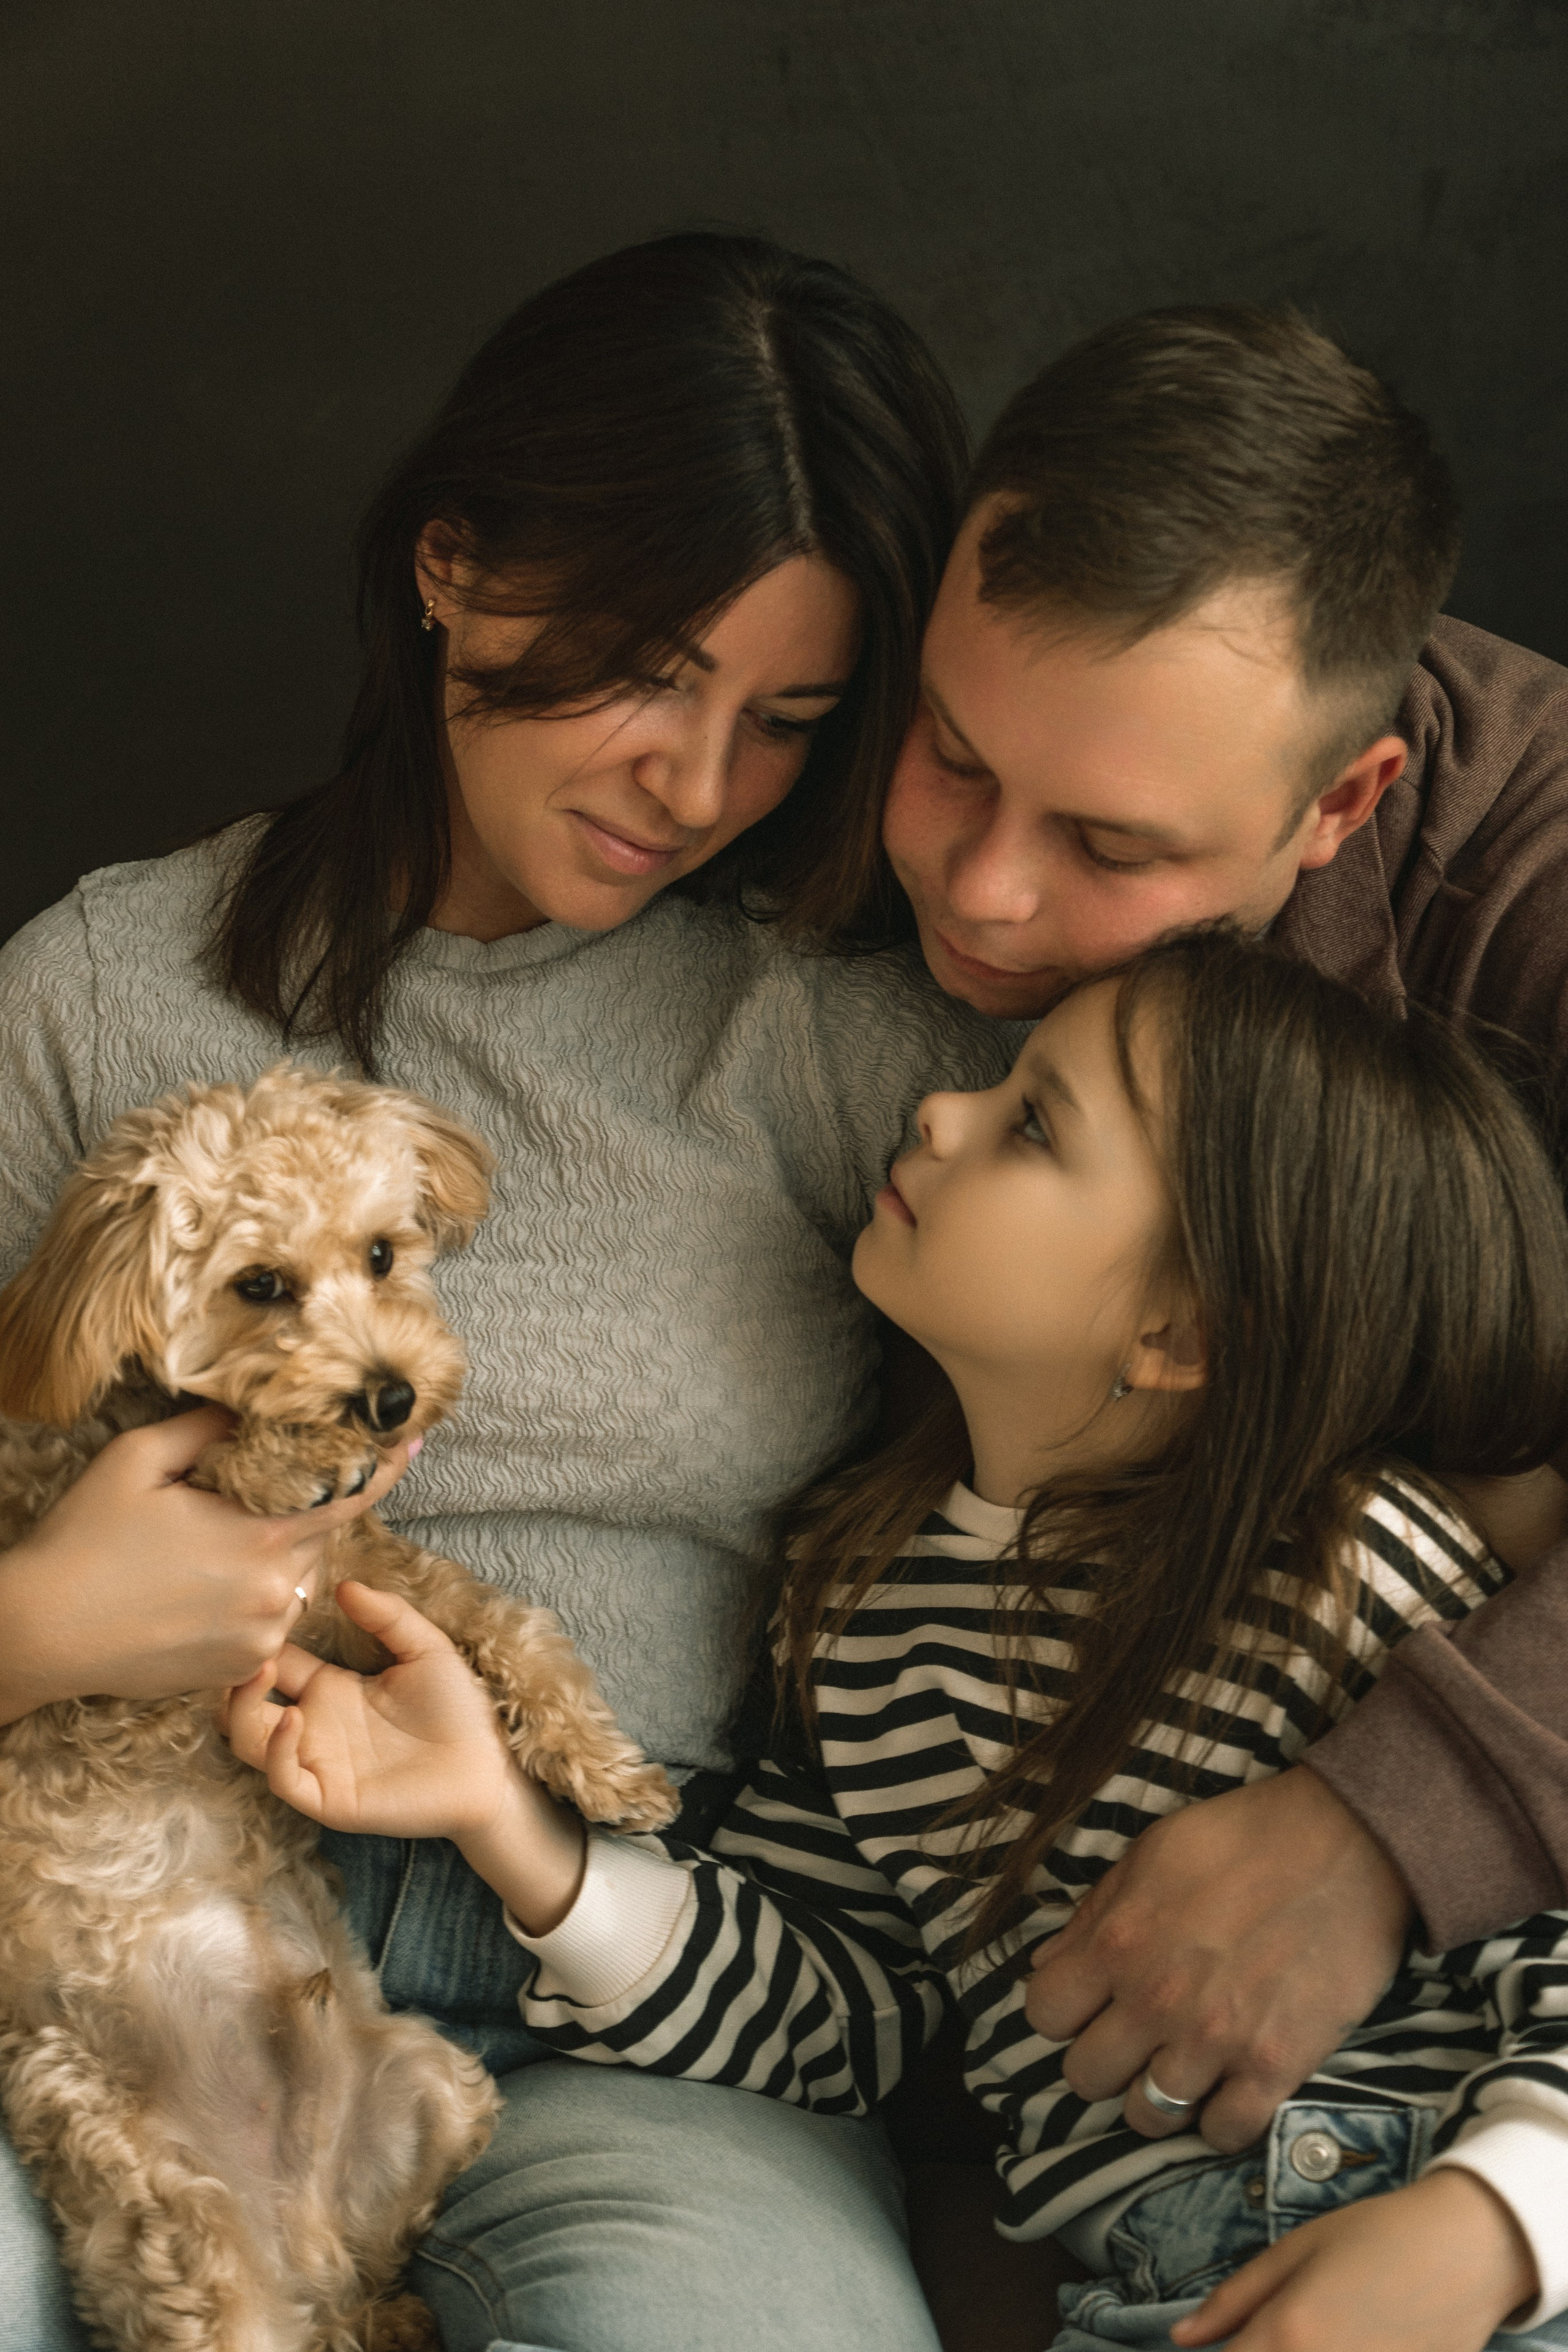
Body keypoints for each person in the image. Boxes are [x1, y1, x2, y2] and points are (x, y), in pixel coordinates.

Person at [0, 232, 1013, 2352]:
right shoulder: (97, 992)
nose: (703, 784)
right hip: (99, 1954)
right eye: (651, 670)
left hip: (626, 1984)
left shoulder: (839, 1042)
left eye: (788, 722)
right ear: (448, 566)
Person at [226, 929, 1568, 2352]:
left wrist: (1493, 2217)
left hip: (1458, 2241)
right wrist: (510, 1826)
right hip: (1154, 2292)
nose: (939, 1112)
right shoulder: (861, 1608)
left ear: (1180, 1331)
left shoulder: (1349, 1561)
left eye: (1032, 1125)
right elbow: (838, 2016)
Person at [863, 302, 1568, 2153]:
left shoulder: (1536, 907)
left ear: (1343, 803)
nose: (981, 889)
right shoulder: (861, 668)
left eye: (1110, 849)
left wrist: (1390, 1821)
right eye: (947, 752)